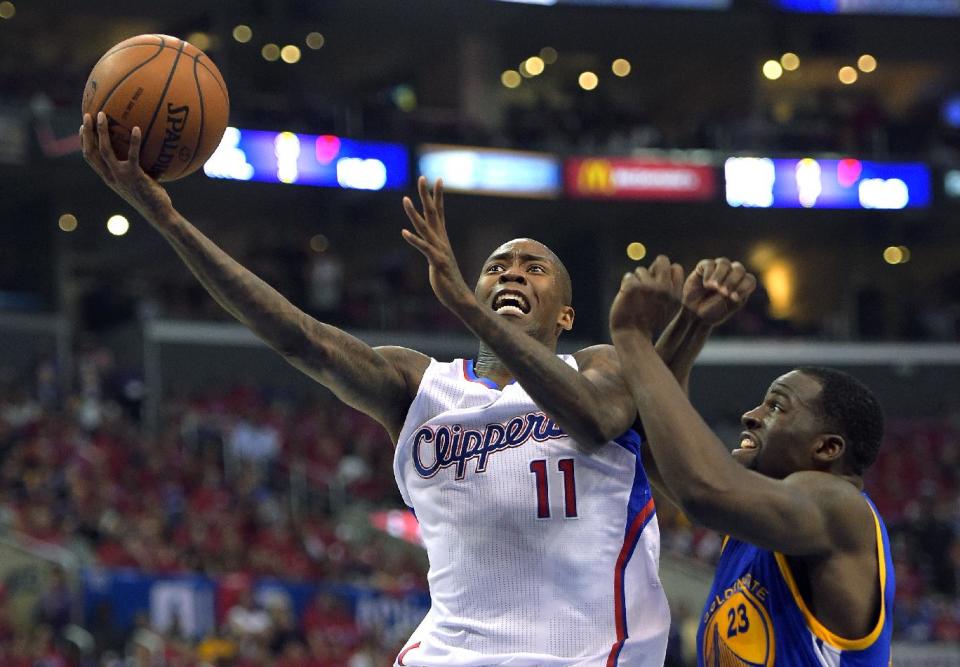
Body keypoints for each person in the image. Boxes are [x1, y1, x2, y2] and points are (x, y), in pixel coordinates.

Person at [80, 112, 731, 666]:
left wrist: (467, 310)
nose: (510, 274)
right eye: (495, 267)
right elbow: (298, 337)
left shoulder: (603, 364)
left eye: (534, 268)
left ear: (564, 313)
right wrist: (167, 219)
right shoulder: (421, 384)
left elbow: (593, 418)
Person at [609, 257, 894, 666]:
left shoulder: (838, 505)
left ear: (827, 449)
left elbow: (703, 489)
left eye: (776, 406)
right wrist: (692, 324)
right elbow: (653, 446)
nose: (751, 416)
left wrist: (633, 338)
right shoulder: (758, 528)